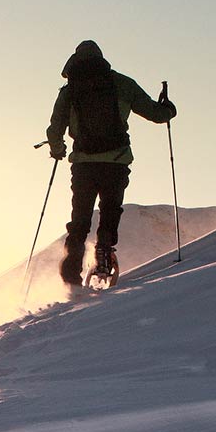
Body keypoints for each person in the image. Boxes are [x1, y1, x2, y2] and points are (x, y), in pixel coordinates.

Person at [44, 40, 176, 286]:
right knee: (110, 208)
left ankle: (71, 269)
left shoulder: (69, 90)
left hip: (83, 163)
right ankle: (104, 255)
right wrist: (168, 109)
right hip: (116, 161)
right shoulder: (121, 83)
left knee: (80, 217)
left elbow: (55, 128)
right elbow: (154, 114)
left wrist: (57, 149)